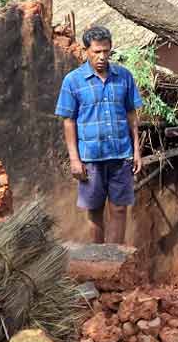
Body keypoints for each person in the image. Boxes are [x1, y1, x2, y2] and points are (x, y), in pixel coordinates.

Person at [55, 25, 143, 244]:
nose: (102, 56)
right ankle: (98, 258)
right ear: (86, 51)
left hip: (120, 154)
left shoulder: (124, 77)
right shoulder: (72, 81)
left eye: (106, 51)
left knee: (120, 209)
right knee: (94, 211)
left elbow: (132, 116)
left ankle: (115, 261)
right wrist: (75, 159)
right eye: (96, 52)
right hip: (90, 158)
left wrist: (137, 151)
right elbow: (69, 121)